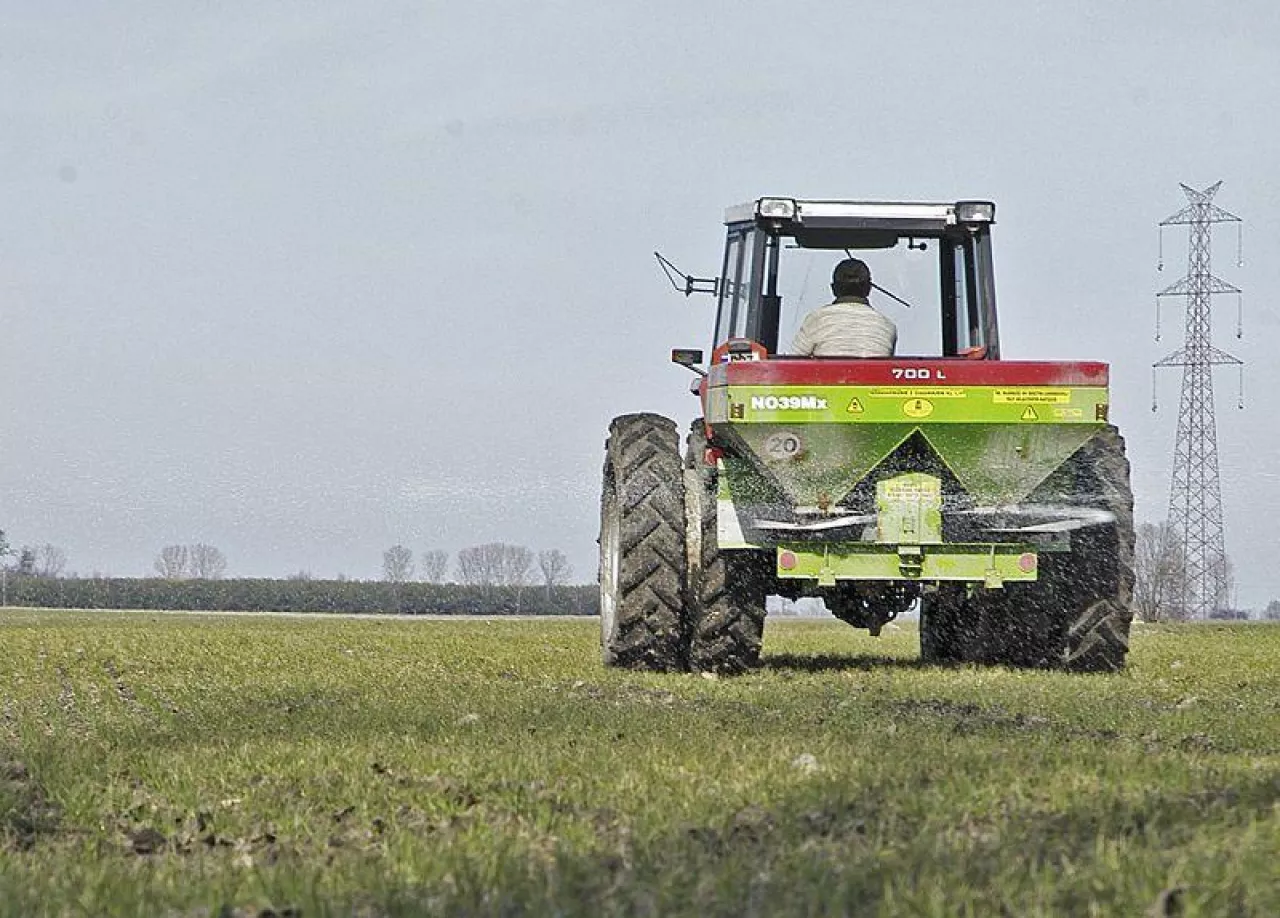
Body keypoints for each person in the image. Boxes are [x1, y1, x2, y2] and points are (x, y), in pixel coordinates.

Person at [791, 258, 898, 357]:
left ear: (834, 288)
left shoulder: (817, 319)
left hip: (826, 377)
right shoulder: (887, 326)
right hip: (872, 378)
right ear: (868, 288)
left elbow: (794, 362)